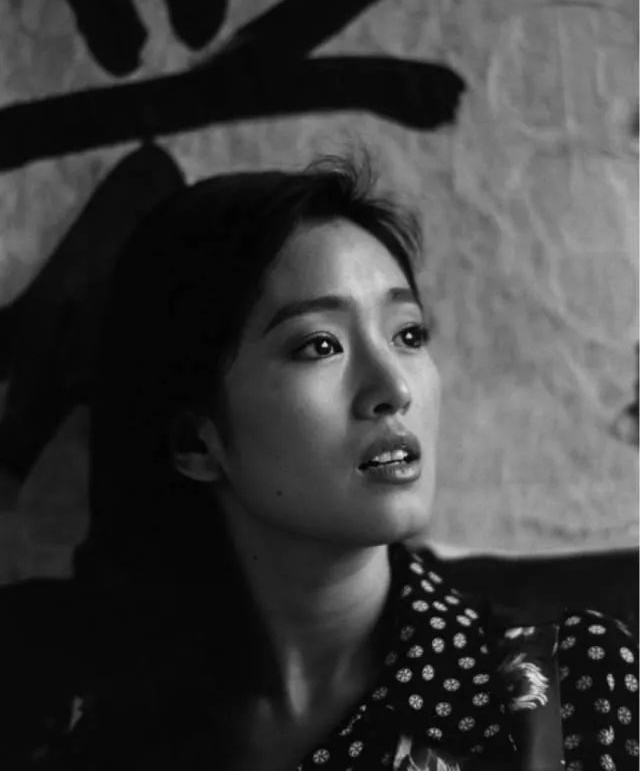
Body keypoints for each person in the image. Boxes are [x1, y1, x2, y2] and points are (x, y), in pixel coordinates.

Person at [14, 157, 638, 769]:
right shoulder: (87, 735)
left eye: (408, 335)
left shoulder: (571, 685)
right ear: (197, 443)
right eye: (320, 345)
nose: (394, 387)